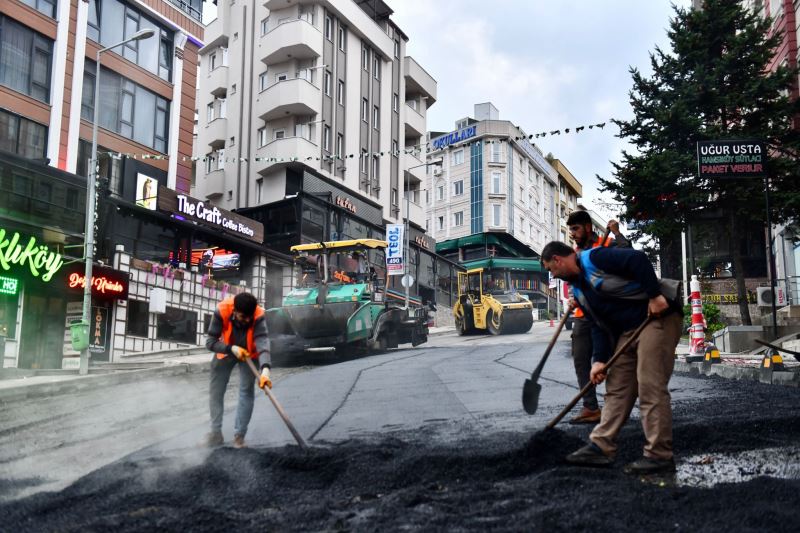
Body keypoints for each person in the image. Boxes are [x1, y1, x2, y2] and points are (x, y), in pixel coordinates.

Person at [541, 241, 683, 475]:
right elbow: (598, 326)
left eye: (551, 269)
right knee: (616, 387)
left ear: (558, 259)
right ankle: (601, 446)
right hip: (628, 331)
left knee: (650, 386)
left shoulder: (596, 258)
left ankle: (659, 456)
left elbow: (637, 259)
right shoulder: (578, 291)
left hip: (656, 318)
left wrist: (655, 296)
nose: (552, 274)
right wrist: (599, 360)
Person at [565, 210, 630, 424]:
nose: (572, 233)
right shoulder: (575, 253)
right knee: (581, 359)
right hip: (583, 314)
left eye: (575, 228)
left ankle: (616, 409)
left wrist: (617, 233)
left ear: (587, 227)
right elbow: (574, 281)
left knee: (611, 360)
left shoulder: (605, 243)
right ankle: (591, 407)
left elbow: (627, 252)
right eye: (570, 230)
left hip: (607, 311)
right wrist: (572, 298)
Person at [205, 292, 272, 448]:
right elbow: (210, 342)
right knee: (216, 391)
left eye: (249, 317)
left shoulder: (258, 315)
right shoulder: (222, 310)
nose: (247, 320)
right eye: (243, 317)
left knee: (246, 391)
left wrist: (265, 370)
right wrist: (231, 348)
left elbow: (263, 343)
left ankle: (239, 437)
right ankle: (215, 434)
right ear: (234, 311)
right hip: (227, 350)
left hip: (251, 353)